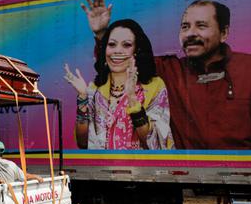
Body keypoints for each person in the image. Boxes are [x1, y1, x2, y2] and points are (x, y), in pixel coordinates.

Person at [82, 0, 251, 149]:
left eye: (201, 26)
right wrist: (102, 35)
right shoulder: (171, 71)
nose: (190, 34)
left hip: (246, 182)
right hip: (193, 175)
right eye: (185, 27)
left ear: (224, 33)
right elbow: (122, 61)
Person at [64, 19, 173, 150]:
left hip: (141, 170)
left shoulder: (154, 86)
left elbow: (157, 145)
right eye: (112, 44)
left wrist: (132, 99)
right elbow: (83, 143)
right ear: (105, 50)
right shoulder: (94, 89)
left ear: (136, 51)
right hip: (101, 169)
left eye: (126, 45)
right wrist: (82, 98)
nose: (117, 51)